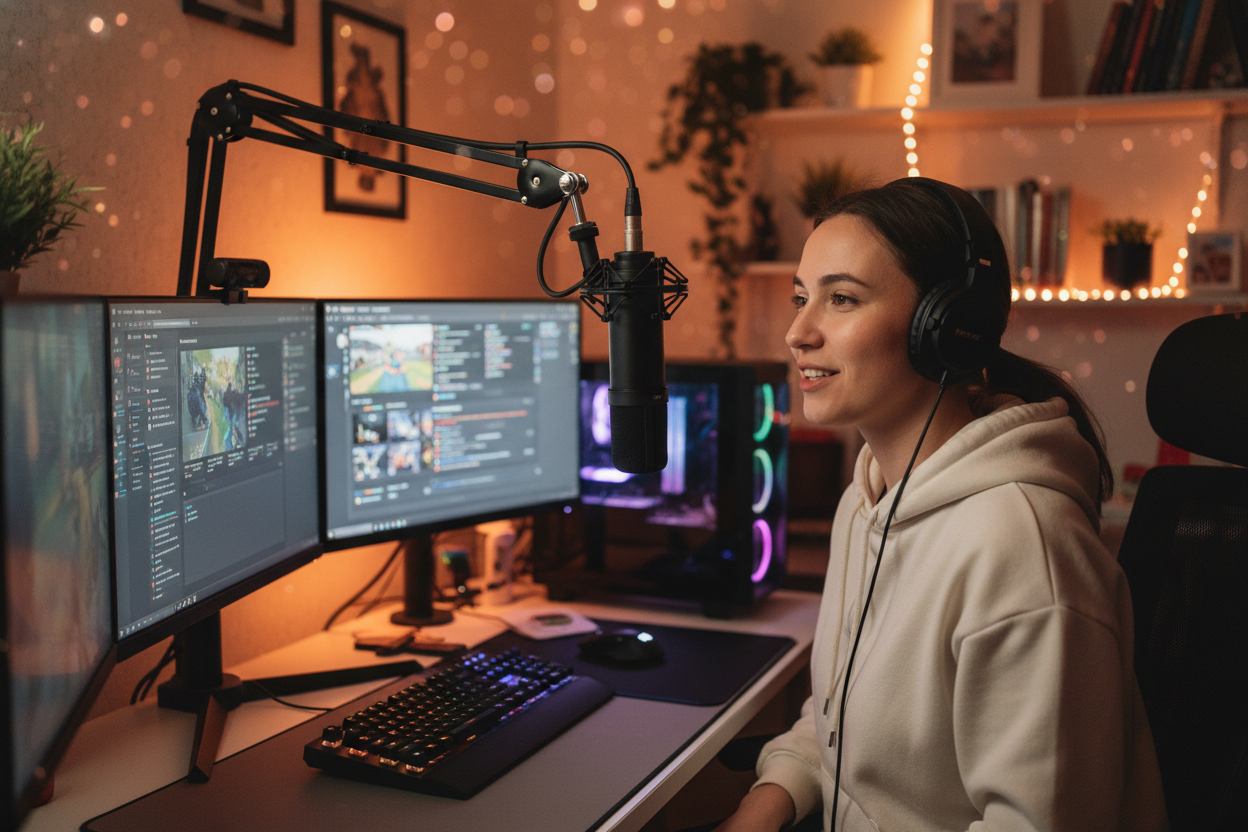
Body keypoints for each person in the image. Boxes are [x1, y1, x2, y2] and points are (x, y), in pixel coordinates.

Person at [715, 178, 1167, 832]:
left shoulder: (1020, 546)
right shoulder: (866, 502)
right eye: (799, 298)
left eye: (841, 299)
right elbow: (839, 720)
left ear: (948, 328)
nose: (797, 332)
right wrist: (759, 809)